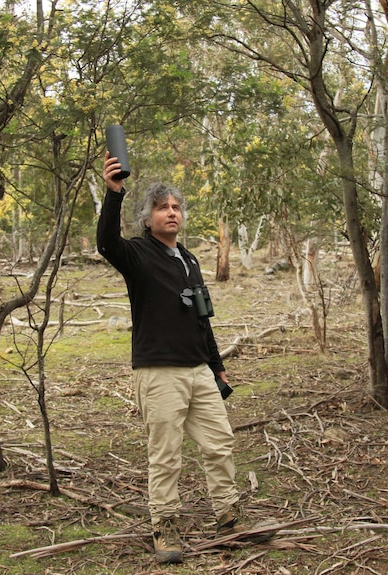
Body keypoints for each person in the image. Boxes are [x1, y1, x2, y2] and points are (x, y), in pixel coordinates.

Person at [96, 152, 274, 564]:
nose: (171, 213)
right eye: (162, 208)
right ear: (148, 219)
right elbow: (106, 241)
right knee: (166, 454)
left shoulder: (189, 259)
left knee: (220, 444)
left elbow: (202, 317)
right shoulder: (138, 255)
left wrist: (216, 365)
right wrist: (114, 192)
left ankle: (229, 520)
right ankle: (165, 531)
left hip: (198, 370)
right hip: (159, 372)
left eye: (176, 207)